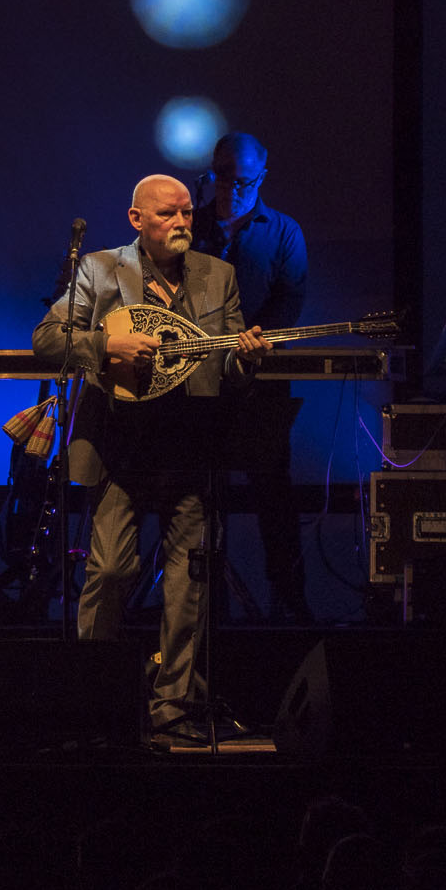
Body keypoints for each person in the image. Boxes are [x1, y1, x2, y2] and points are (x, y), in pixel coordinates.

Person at [32, 174, 271, 741]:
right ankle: (95, 696)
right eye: (168, 215)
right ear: (137, 219)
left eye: (188, 213)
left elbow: (231, 367)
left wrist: (248, 359)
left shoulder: (220, 277)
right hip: (120, 449)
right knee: (112, 569)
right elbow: (47, 338)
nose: (183, 223)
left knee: (190, 584)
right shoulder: (98, 268)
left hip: (191, 450)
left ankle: (175, 706)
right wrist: (104, 344)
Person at [192, 132, 312, 622]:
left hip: (259, 382)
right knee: (196, 495)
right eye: (222, 178)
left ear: (261, 177)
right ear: (212, 173)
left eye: (243, 181)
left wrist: (257, 343)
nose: (232, 189)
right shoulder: (191, 227)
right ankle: (202, 606)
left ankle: (288, 603)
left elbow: (289, 302)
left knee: (273, 493)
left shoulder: (283, 231)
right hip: (196, 385)